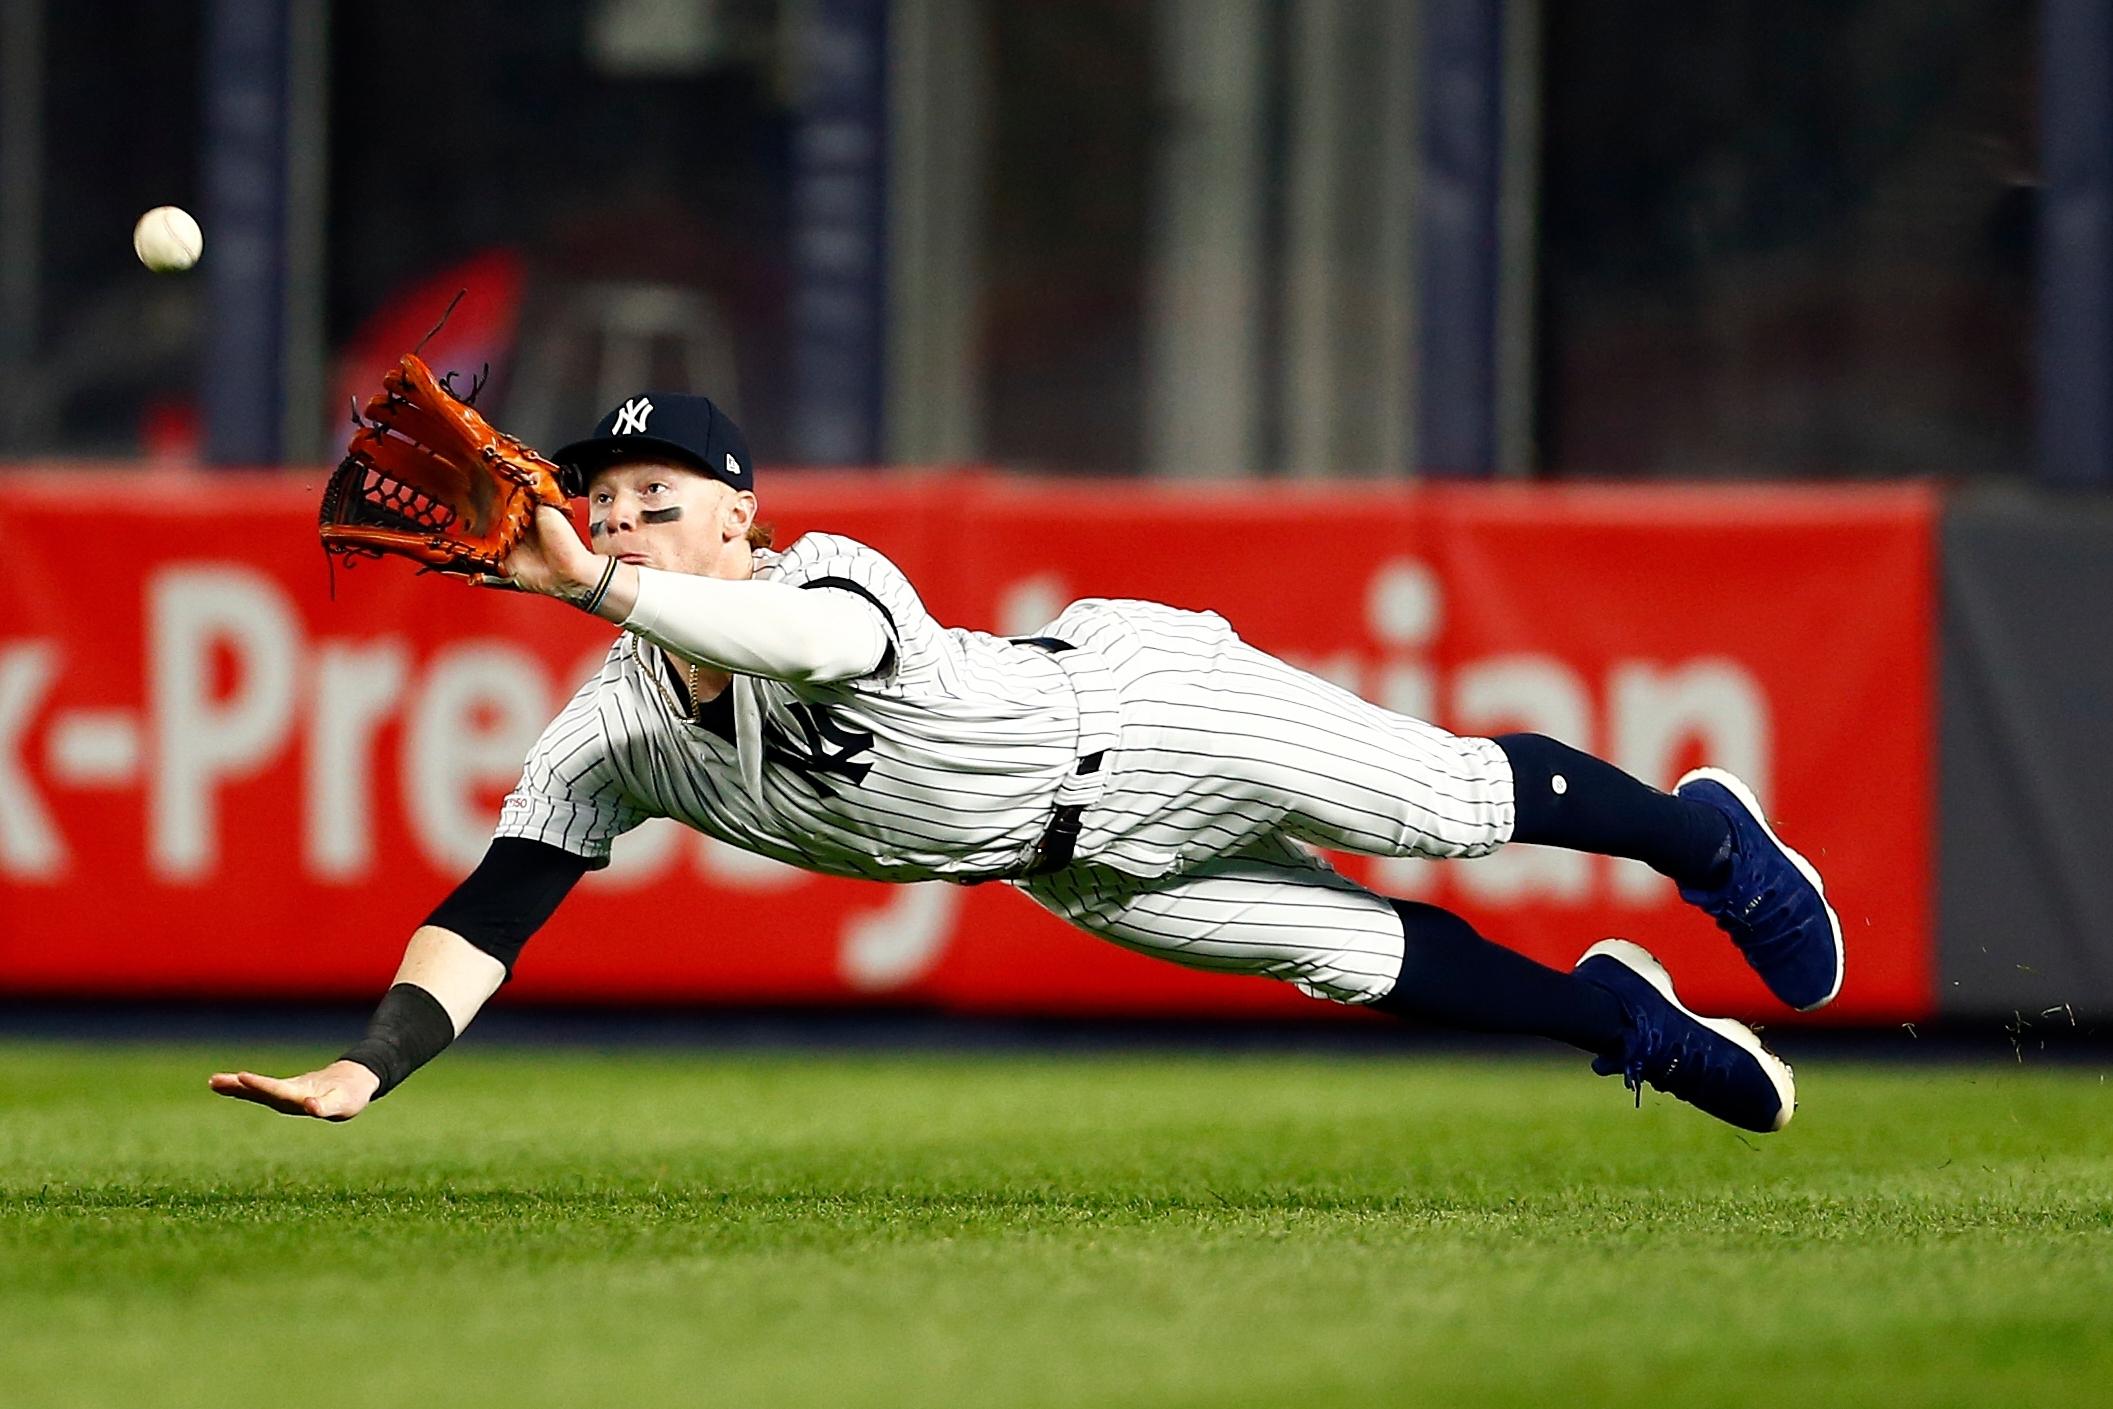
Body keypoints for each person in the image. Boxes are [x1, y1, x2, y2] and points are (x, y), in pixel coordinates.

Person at [211, 394, 1842, 1135]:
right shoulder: (614, 727)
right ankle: (1626, 1018)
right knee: (1355, 959)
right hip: (1065, 862)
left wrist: (600, 582)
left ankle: (1701, 840)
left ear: (740, 519)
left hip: (1144, 711)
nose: (623, 513)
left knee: (1444, 806)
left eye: (659, 493)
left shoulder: (825, 577)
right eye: (602, 493)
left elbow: (817, 657)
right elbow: (496, 904)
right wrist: (372, 1064)